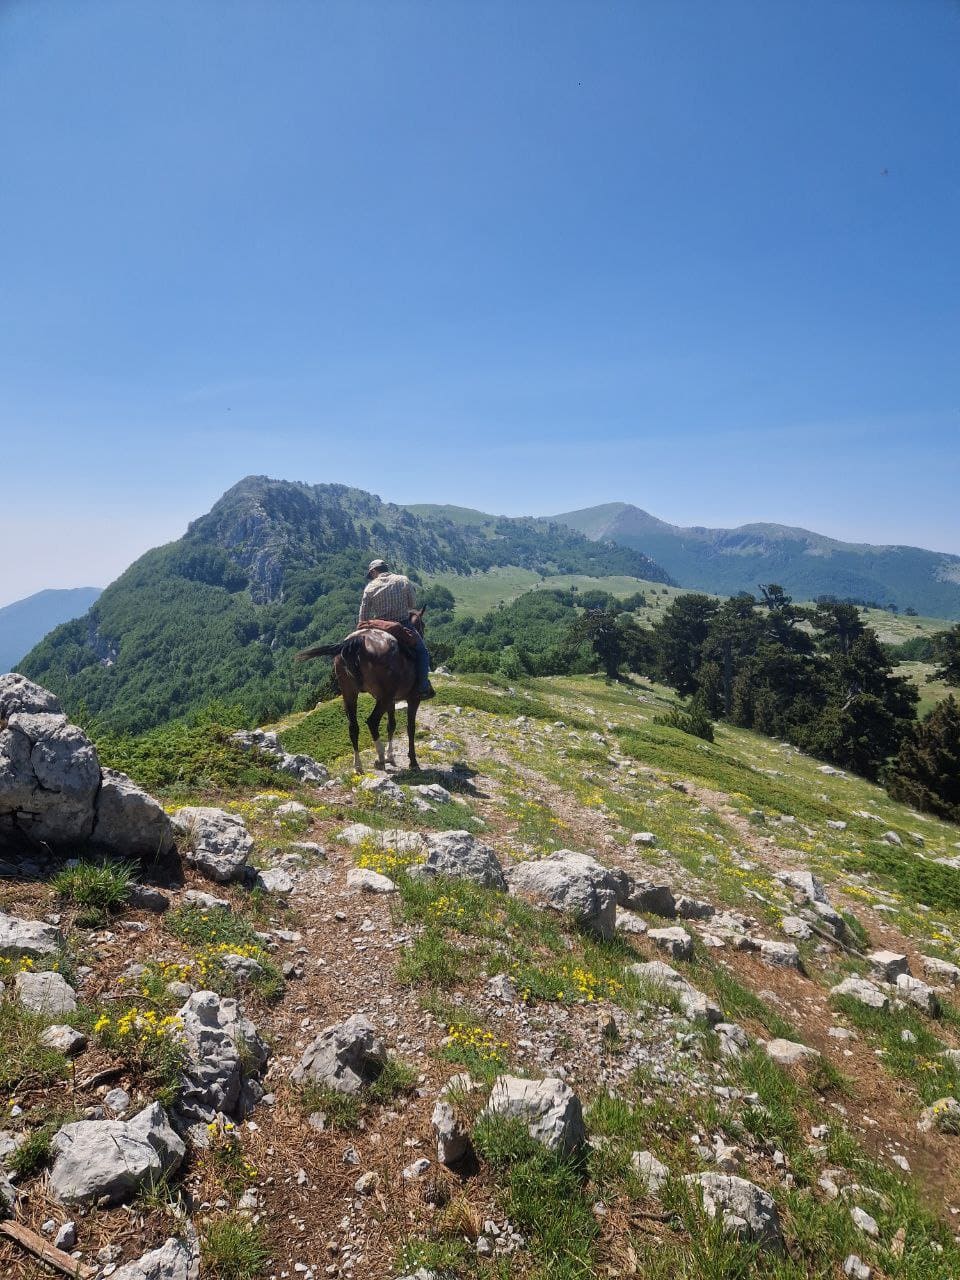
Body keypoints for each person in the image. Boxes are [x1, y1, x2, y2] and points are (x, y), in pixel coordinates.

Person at [358, 559, 434, 699]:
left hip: (379, 627)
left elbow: (363, 617)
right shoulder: (403, 580)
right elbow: (412, 604)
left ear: (374, 571)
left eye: (371, 574)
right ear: (385, 568)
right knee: (422, 652)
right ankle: (423, 687)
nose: (371, 577)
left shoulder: (370, 587)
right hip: (402, 625)